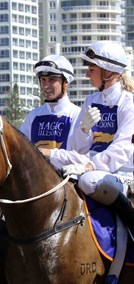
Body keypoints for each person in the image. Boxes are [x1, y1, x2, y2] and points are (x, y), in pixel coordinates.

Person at [52, 41, 134, 238]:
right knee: (51, 167)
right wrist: (83, 129)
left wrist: (90, 166)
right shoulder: (90, 101)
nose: (87, 75)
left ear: (107, 72)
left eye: (91, 70)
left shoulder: (128, 102)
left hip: (121, 171)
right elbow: (76, 148)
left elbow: (121, 150)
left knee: (89, 181)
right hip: (90, 163)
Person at [20, 54, 80, 153]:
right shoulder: (33, 116)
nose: (46, 86)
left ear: (65, 83)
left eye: (52, 80)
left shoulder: (77, 115)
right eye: (43, 80)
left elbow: (79, 155)